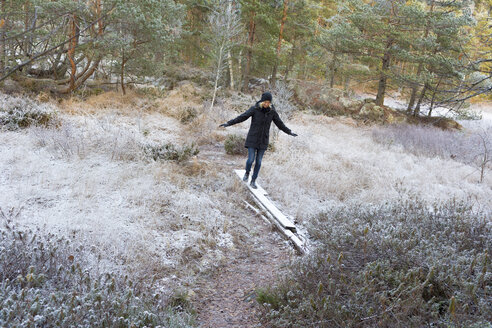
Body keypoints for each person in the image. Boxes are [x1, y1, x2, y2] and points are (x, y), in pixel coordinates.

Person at [219, 91, 297, 189]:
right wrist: (228, 123)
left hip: (263, 140)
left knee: (259, 162)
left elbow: (280, 124)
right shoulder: (254, 109)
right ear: (261, 101)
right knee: (250, 160)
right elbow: (242, 117)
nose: (266, 104)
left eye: (269, 102)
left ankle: (253, 181)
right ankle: (247, 173)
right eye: (265, 101)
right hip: (253, 138)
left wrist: (289, 132)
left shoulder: (272, 112)